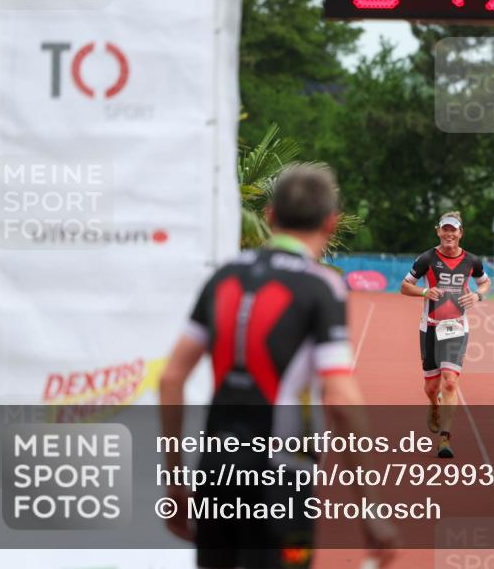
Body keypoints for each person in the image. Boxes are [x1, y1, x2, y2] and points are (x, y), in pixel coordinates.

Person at [159, 164, 396, 569]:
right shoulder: (321, 287)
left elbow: (171, 377)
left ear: (270, 216)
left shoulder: (224, 277)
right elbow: (339, 398)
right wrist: (369, 507)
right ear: (331, 222)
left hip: (216, 471)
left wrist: (176, 480)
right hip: (280, 479)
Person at [399, 211, 491, 459]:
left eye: (454, 230)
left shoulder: (472, 261)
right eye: (445, 229)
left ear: (461, 233)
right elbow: (404, 285)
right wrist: (423, 293)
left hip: (457, 327)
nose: (449, 234)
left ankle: (445, 439)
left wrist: (477, 295)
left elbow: (485, 282)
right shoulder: (427, 258)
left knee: (450, 380)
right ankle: (434, 405)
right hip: (429, 326)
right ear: (438, 231)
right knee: (431, 386)